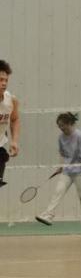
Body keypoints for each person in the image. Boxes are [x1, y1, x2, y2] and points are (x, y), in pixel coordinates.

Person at [35, 112, 81, 225]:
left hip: (80, 170)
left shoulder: (79, 135)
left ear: (69, 123)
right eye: (59, 126)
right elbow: (62, 153)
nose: (61, 128)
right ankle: (48, 215)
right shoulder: (61, 137)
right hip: (67, 171)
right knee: (58, 191)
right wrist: (61, 166)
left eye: (62, 125)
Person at [0, 60, 20, 189]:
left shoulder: (11, 100)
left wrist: (14, 141)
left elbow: (15, 119)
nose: (4, 83)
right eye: (0, 80)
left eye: (6, 80)